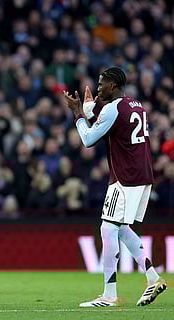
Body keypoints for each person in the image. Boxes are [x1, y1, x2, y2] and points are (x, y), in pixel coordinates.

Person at [63, 66, 167, 307]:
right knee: (120, 228)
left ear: (113, 86)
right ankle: (153, 278)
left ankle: (109, 295)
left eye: (101, 84)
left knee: (107, 229)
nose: (98, 88)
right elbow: (111, 122)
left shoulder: (113, 109)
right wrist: (90, 110)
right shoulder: (137, 106)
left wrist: (78, 113)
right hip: (143, 176)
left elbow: (88, 139)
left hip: (125, 177)